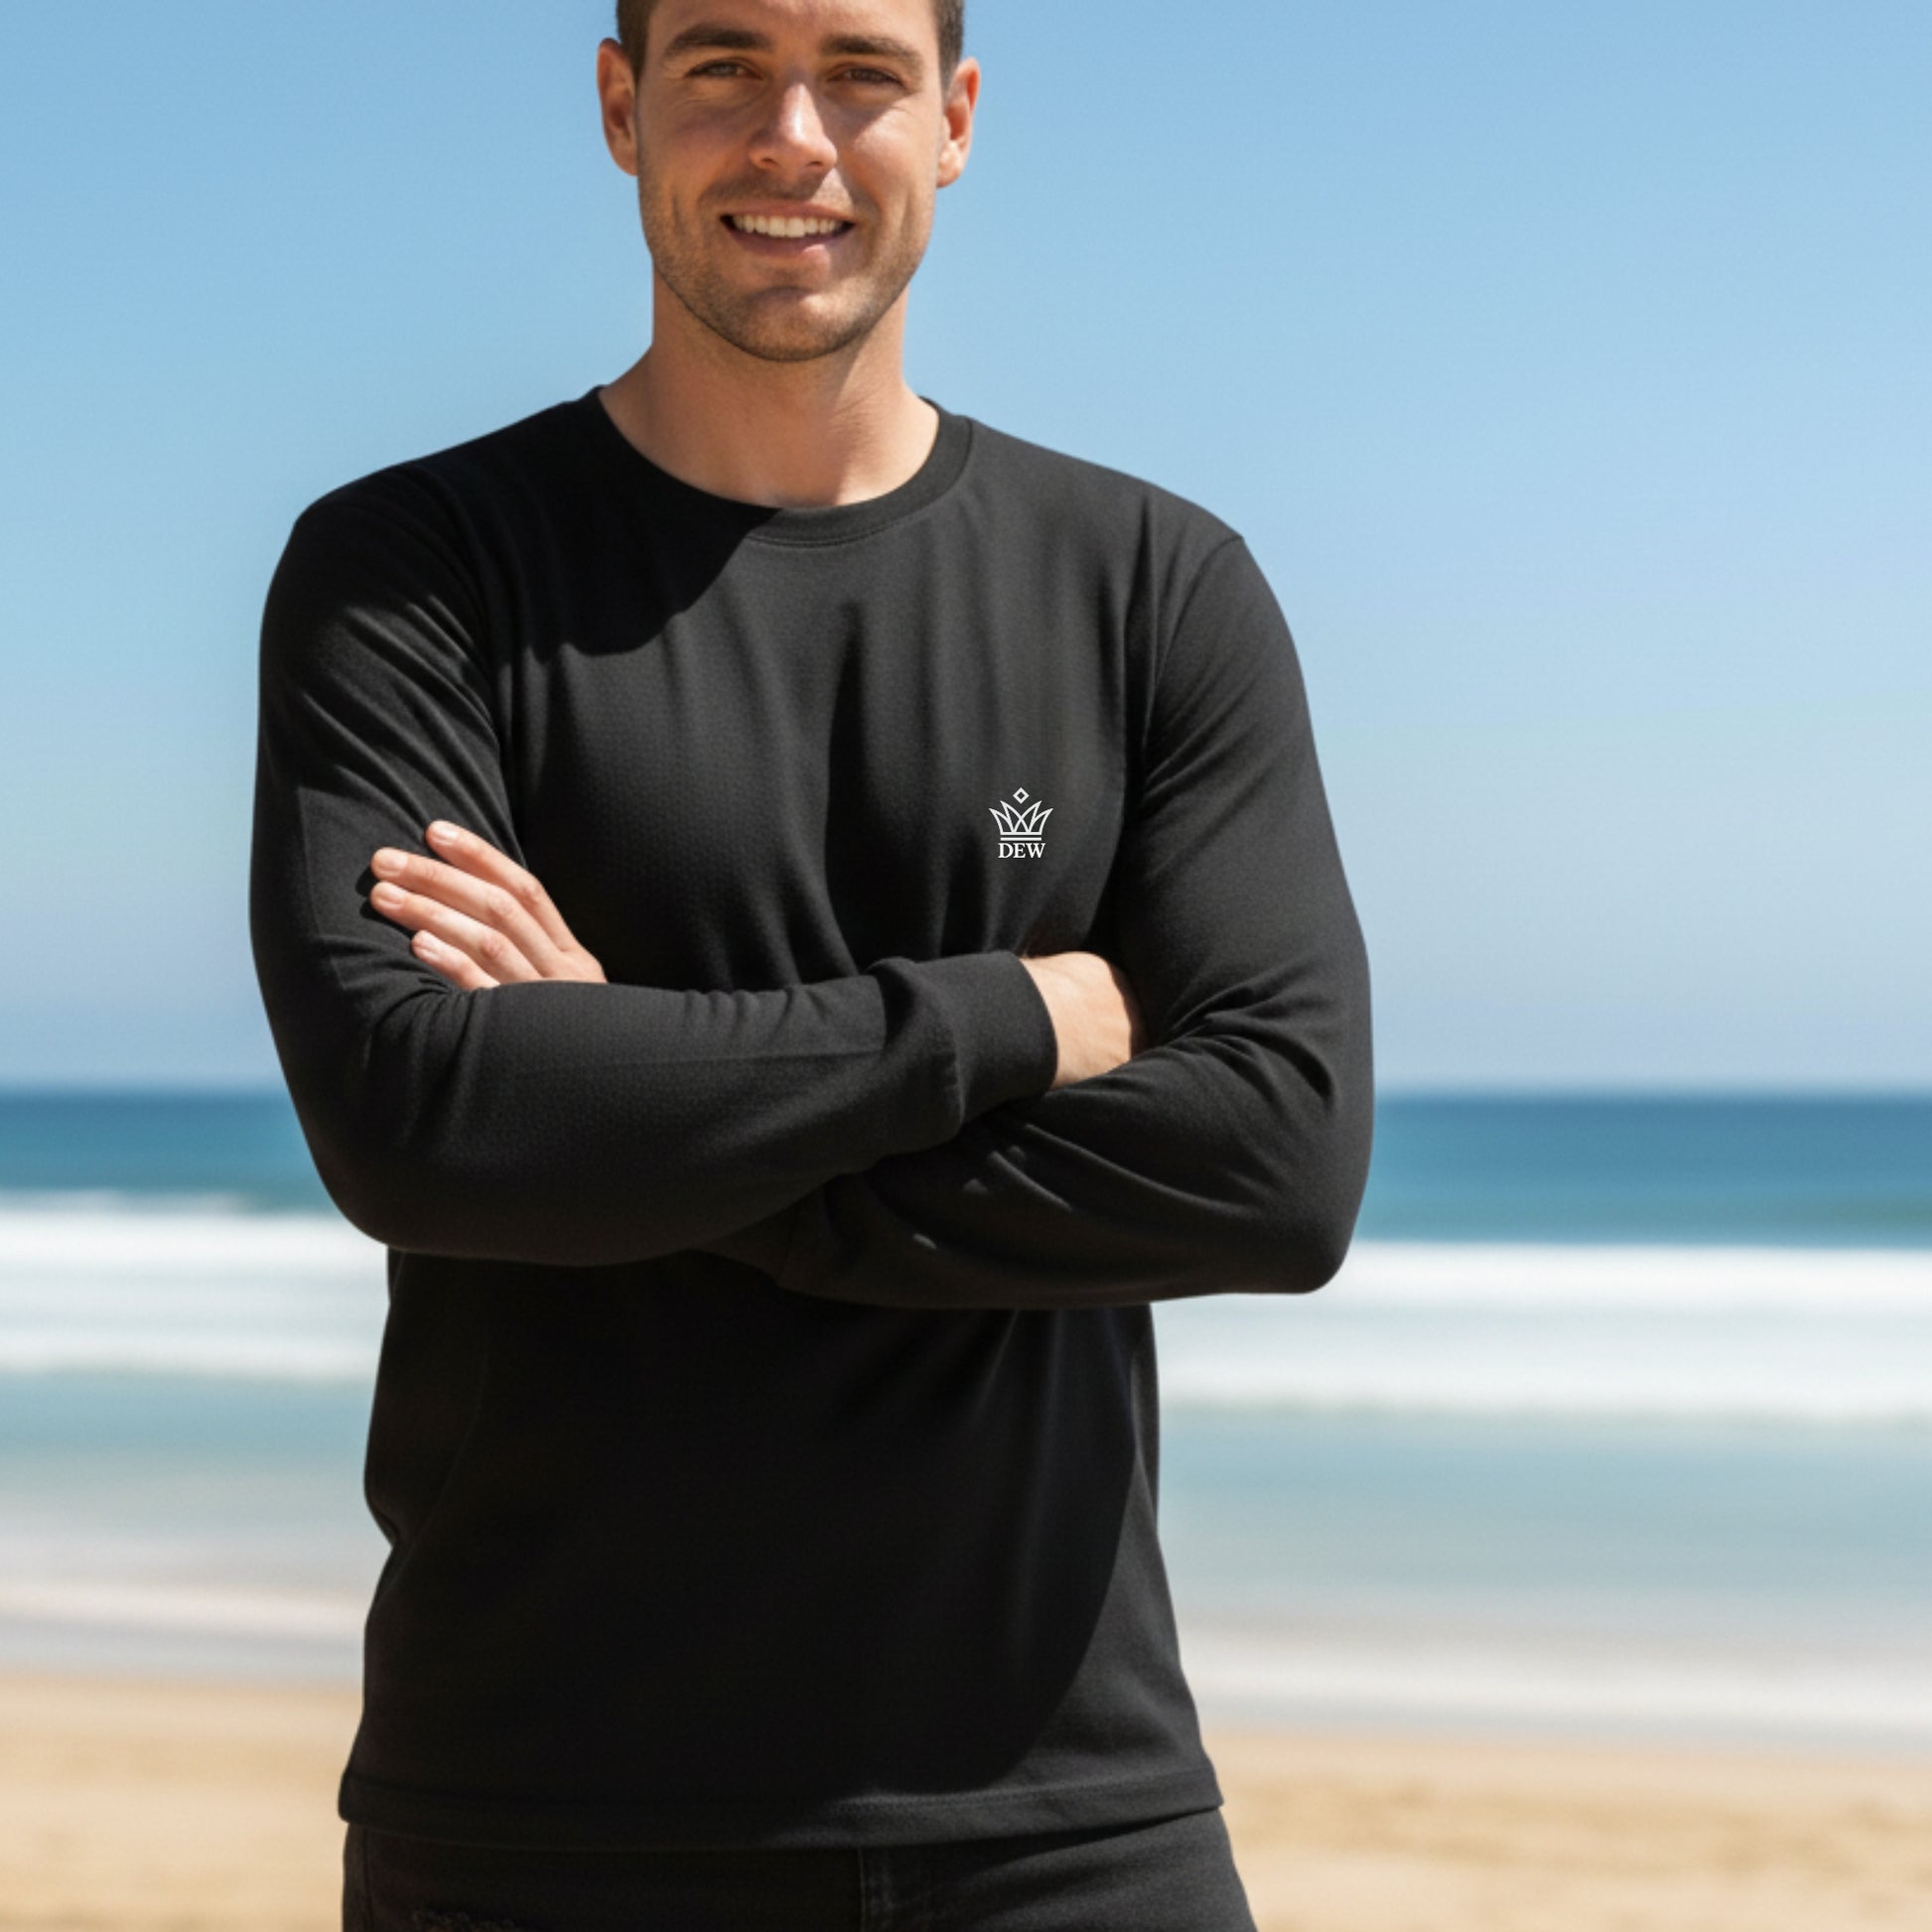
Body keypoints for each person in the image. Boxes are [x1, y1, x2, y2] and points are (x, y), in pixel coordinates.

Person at [248, 1, 1374, 1925]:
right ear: (621, 108)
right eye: (720, 68)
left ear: (953, 119)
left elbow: (1276, 1161)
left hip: (1066, 1823)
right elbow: (420, 1119)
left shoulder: (1152, 592)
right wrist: (1008, 1013)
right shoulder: (415, 578)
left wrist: (636, 1111)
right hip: (536, 1818)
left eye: (857, 70)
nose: (792, 135)